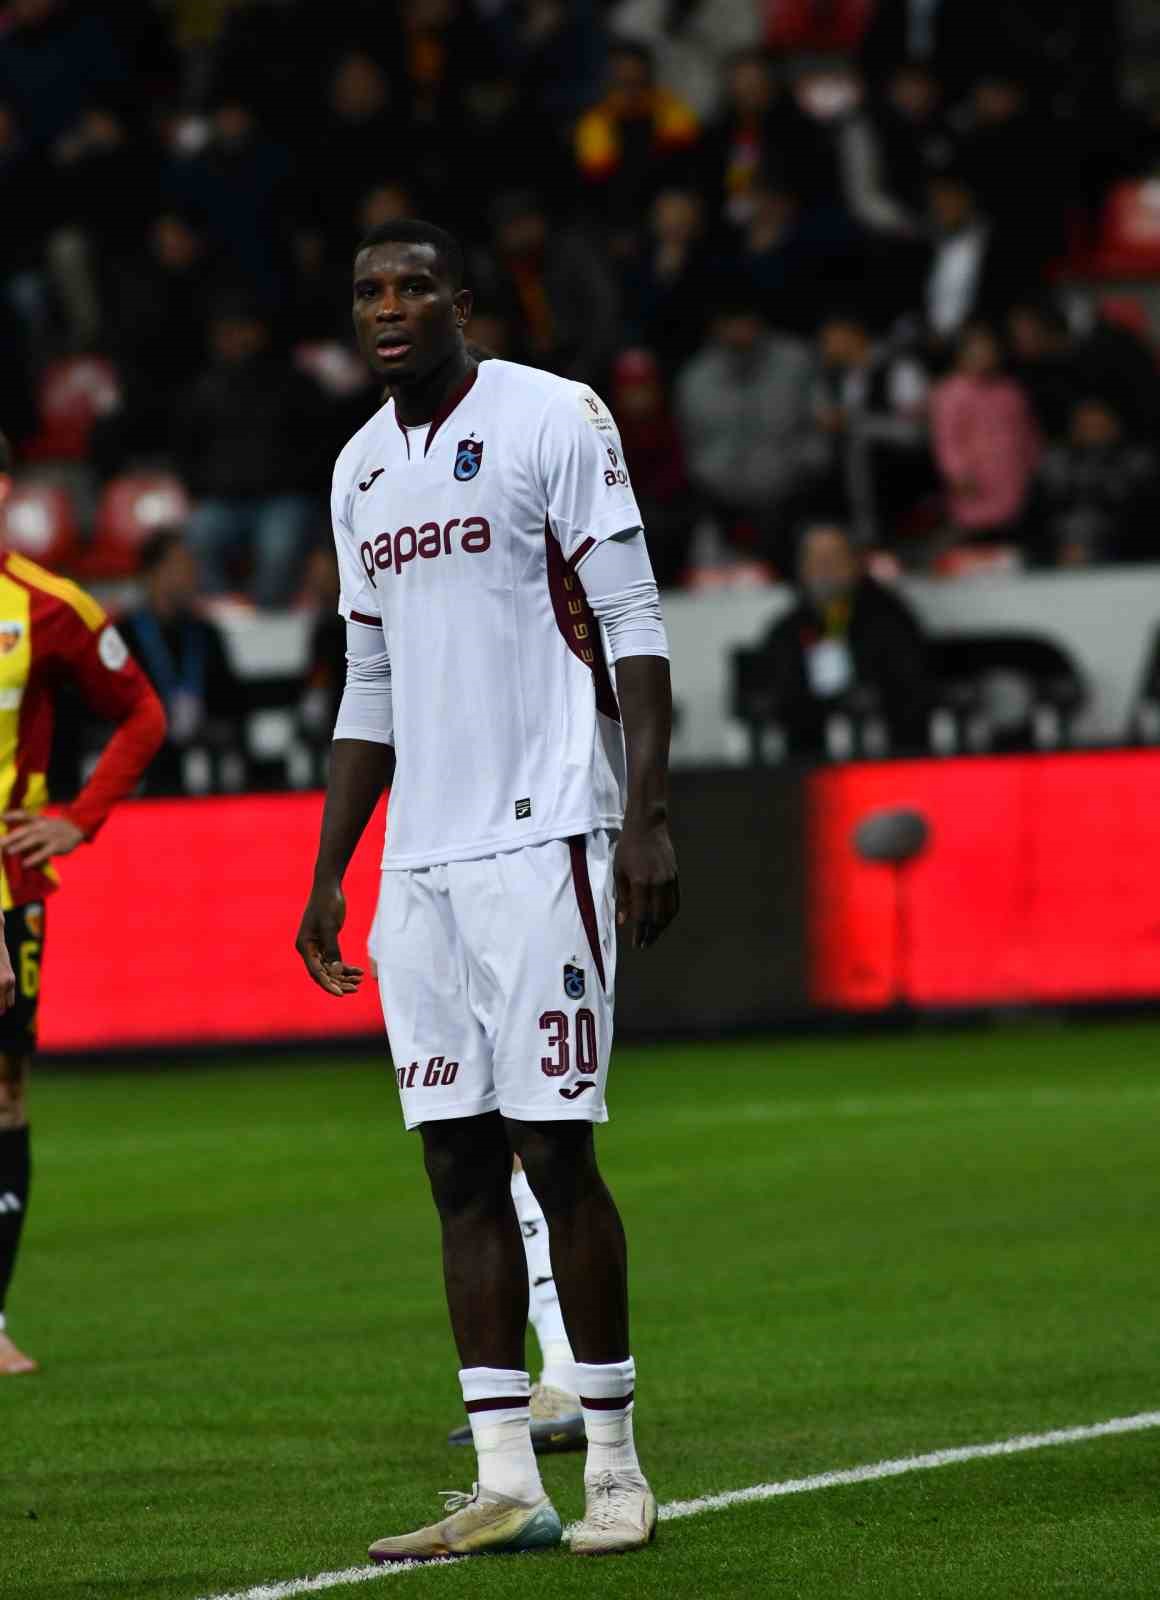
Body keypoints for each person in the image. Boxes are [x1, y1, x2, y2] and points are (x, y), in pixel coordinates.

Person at [295, 219, 677, 1560]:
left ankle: (617, 1469)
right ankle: (508, 1478)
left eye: (413, 287)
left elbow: (632, 620)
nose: (388, 307)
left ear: (460, 302)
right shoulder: (358, 468)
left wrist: (645, 815)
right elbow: (370, 681)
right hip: (422, 859)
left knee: (553, 1149)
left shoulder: (551, 417)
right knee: (454, 1161)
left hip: (548, 829)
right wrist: (332, 867)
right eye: (368, 291)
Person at [0, 428, 166, 1376]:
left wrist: (79, 818)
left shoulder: (50, 606)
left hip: (10, 877)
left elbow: (143, 713)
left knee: (5, 1089)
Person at [176, 299, 327, 608]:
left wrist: (295, 482)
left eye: (240, 330)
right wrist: (199, 489)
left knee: (279, 546)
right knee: (198, 534)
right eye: (225, 332)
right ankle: (228, 615)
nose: (233, 339)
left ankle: (264, 618)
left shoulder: (295, 385)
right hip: (223, 502)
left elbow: (320, 449)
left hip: (282, 500)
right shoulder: (204, 388)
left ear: (259, 333)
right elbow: (186, 449)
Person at [757, 520, 929, 755]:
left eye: (834, 557)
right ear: (801, 568)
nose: (825, 568)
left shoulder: (891, 620)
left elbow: (912, 693)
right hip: (808, 760)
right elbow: (777, 702)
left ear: (856, 562)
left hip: (885, 755)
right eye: (815, 559)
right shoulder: (786, 631)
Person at [119, 529, 245, 793]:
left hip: (204, 766)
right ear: (153, 573)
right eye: (180, 565)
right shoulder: (125, 636)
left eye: (191, 566)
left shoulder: (206, 635)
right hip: (147, 771)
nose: (191, 575)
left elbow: (231, 703)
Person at [930, 323, 1041, 547]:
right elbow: (947, 439)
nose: (983, 357)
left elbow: (1027, 432)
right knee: (977, 543)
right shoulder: (952, 392)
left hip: (1012, 479)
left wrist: (1033, 464)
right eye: (976, 351)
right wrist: (957, 474)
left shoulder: (1011, 391)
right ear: (962, 354)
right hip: (974, 484)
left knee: (1012, 544)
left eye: (989, 351)